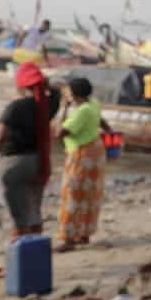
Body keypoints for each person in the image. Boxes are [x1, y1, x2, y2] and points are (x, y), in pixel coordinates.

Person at [0, 62, 60, 241]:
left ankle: (21, 255)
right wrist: (45, 83)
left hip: (14, 164)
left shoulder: (16, 107)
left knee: (19, 214)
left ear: (21, 85)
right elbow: (57, 92)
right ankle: (35, 250)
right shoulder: (47, 105)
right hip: (39, 162)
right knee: (33, 210)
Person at [53, 78, 112, 252]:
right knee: (89, 195)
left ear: (74, 95)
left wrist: (63, 108)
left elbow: (59, 132)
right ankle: (84, 234)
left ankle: (69, 238)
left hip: (82, 154)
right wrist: (109, 131)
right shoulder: (92, 103)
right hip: (95, 150)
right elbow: (102, 121)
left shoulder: (81, 112)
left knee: (72, 195)